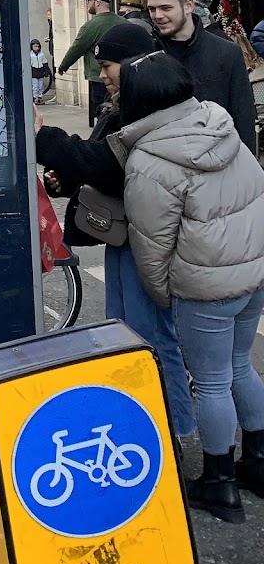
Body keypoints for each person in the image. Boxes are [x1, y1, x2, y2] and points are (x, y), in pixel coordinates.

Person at [111, 51, 264, 524]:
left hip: (202, 285)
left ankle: (220, 483)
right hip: (250, 273)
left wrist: (166, 297)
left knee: (212, 382)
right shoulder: (219, 125)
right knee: (242, 367)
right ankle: (256, 461)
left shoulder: (149, 159)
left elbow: (151, 249)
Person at [34, 23, 195, 442]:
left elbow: (105, 162)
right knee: (123, 332)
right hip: (124, 236)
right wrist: (65, 181)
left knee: (152, 339)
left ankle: (174, 432)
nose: (102, 74)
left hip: (148, 239)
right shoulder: (123, 104)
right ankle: (140, 424)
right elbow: (100, 166)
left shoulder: (149, 109)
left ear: (134, 64)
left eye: (107, 65)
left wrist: (43, 137)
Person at [145, 0, 255, 151]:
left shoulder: (226, 53)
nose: (157, 16)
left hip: (217, 161)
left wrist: (245, 170)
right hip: (161, 164)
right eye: (152, 9)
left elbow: (243, 118)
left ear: (188, 6)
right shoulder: (147, 53)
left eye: (166, 8)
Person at [56, 0, 126, 127]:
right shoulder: (123, 22)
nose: (88, 5)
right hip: (122, 74)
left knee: (102, 108)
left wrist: (63, 66)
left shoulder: (91, 26)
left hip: (99, 75)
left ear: (97, 2)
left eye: (89, 1)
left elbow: (77, 48)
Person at [29, 39, 50, 105]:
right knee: (35, 86)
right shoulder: (30, 54)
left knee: (40, 86)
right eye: (35, 46)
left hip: (40, 71)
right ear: (32, 47)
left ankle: (40, 97)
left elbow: (45, 63)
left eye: (38, 46)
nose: (37, 48)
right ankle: (35, 98)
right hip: (34, 71)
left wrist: (46, 71)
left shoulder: (41, 54)